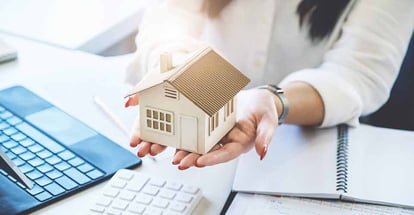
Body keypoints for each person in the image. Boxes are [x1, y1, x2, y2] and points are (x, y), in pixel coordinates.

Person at [125, 0, 414, 170]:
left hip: (304, 147)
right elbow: (167, 20)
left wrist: (273, 101)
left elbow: (360, 74)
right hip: (200, 137)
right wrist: (181, 72)